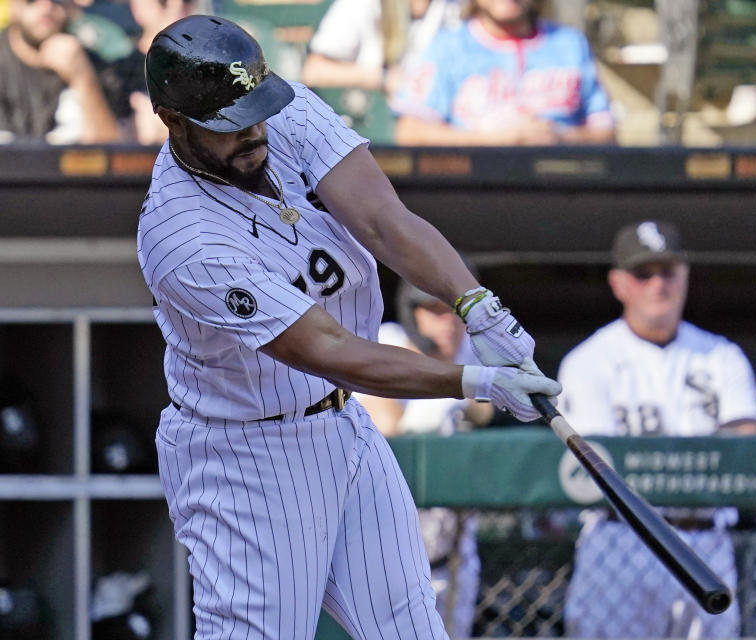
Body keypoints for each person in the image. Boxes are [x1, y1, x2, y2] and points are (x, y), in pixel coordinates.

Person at [137, 14, 560, 640]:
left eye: (257, 109)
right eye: (229, 124)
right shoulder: (181, 237)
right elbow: (326, 348)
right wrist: (473, 379)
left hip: (342, 427)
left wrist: (477, 306)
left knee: (412, 629)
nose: (255, 132)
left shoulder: (279, 111)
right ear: (173, 120)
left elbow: (383, 219)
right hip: (243, 454)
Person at [558, 220, 756, 639]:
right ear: (618, 283)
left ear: (685, 275)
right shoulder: (588, 360)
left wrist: (660, 464)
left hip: (705, 539)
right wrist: (700, 461)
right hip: (621, 541)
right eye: (643, 273)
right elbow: (604, 467)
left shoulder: (722, 356)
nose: (658, 285)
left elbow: (746, 441)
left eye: (667, 271)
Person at [356, 279, 491, 638]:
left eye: (454, 313)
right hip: (383, 560)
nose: (447, 323)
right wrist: (447, 393)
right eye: (434, 312)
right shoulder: (388, 341)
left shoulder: (468, 356)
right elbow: (386, 422)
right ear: (412, 313)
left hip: (452, 556)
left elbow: (487, 412)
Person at [390, 0, 616, 146]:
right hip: (478, 189)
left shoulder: (570, 43)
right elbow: (410, 132)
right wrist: (498, 139)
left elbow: (606, 132)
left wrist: (558, 136)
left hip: (562, 190)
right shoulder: (447, 47)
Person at [0, 0, 120, 143]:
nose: (46, 6)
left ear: (72, 7)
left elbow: (110, 152)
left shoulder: (94, 65)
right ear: (15, 6)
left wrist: (83, 78)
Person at [300, 0, 462, 96]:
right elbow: (314, 71)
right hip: (370, 123)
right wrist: (382, 78)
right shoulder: (361, 4)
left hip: (432, 121)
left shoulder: (455, 7)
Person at [96, 0, 195, 144]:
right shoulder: (115, 77)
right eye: (164, 2)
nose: (178, 10)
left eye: (187, 1)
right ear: (138, 5)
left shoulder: (211, 73)